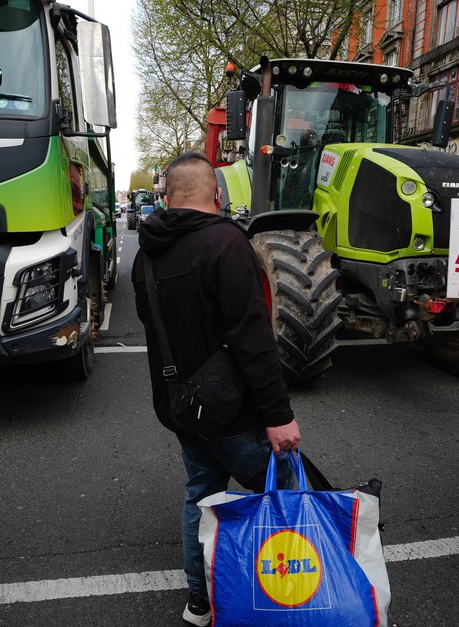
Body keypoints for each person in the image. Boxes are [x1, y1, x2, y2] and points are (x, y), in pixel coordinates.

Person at [132, 152, 301, 626]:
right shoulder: (227, 243)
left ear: (167, 197)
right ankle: (290, 591)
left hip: (183, 406)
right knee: (283, 491)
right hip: (235, 410)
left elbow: (155, 326)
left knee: (201, 495)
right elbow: (253, 338)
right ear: (217, 194)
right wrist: (278, 414)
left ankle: (200, 602)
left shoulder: (147, 253)